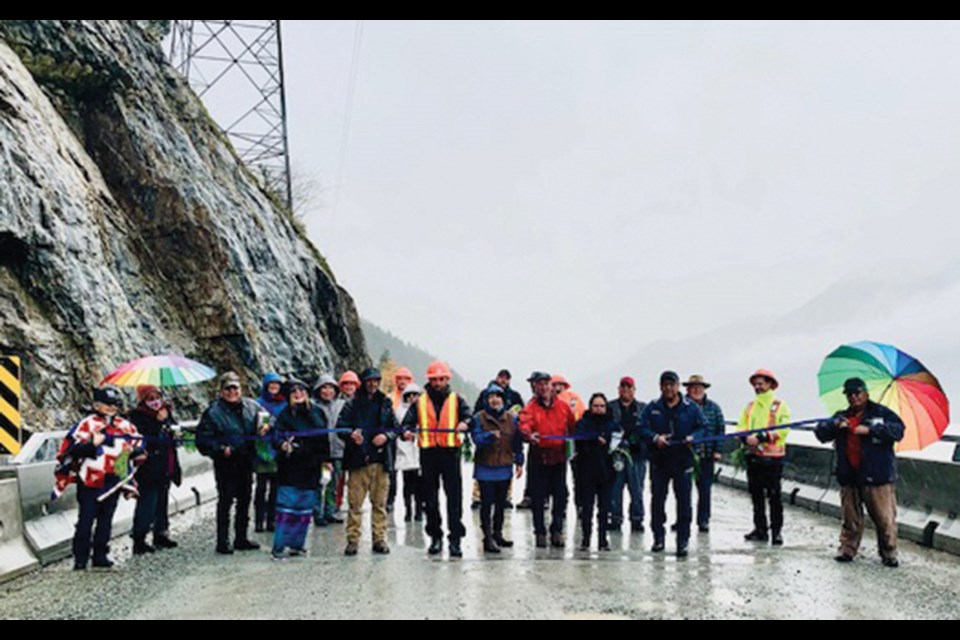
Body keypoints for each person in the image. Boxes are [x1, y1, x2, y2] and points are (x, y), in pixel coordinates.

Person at [815, 378, 905, 567]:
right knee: (850, 519)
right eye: (849, 394)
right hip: (849, 475)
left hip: (877, 476)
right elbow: (821, 433)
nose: (853, 397)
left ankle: (889, 552)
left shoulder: (882, 413)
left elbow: (898, 430)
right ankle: (847, 549)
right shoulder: (841, 416)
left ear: (866, 393)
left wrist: (871, 430)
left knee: (884, 519)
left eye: (857, 393)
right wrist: (835, 425)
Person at [61, 386, 143, 570]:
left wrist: (133, 451)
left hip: (113, 479)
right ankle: (81, 557)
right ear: (96, 404)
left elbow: (139, 445)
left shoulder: (124, 425)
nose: (111, 408)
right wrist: (92, 444)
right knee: (86, 518)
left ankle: (100, 555)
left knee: (106, 518)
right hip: (90, 480)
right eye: (107, 404)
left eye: (114, 404)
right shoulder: (86, 425)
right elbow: (71, 450)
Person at [402, 360, 472, 557]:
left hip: (450, 454)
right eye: (434, 379)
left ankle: (455, 539)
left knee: (454, 498)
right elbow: (406, 424)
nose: (438, 383)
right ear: (429, 381)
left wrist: (466, 423)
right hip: (429, 454)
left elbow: (470, 418)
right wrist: (406, 432)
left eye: (441, 379)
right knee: (430, 500)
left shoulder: (457, 399)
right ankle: (435, 537)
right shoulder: (419, 402)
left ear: (447, 379)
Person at [640, 371, 707, 557]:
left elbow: (703, 426)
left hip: (683, 460)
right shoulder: (652, 407)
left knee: (684, 503)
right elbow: (641, 427)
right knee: (657, 501)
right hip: (659, 461)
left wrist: (694, 438)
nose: (669, 388)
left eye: (672, 384)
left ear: (678, 386)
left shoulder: (690, 407)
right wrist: (654, 438)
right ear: (661, 386)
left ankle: (682, 541)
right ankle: (658, 538)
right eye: (665, 385)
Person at [196, 372, 263, 554]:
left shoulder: (252, 406)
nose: (232, 392)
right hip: (226, 463)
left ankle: (241, 537)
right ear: (221, 391)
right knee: (225, 502)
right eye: (228, 388)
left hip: (246, 461)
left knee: (245, 500)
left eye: (235, 388)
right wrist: (220, 449)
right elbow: (202, 440)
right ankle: (222, 541)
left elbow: (267, 420)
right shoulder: (213, 412)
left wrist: (266, 427)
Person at [338, 368, 399, 556]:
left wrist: (386, 436)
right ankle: (353, 540)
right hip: (358, 460)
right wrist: (351, 434)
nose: (372, 384)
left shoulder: (386, 402)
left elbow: (395, 428)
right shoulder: (352, 403)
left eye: (376, 380)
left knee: (379, 504)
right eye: (369, 381)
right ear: (363, 382)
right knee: (355, 504)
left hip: (381, 460)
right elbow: (340, 428)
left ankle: (379, 539)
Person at [270, 379, 330, 559]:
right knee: (287, 507)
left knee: (304, 508)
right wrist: (282, 445)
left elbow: (324, 439)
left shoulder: (317, 413)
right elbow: (276, 436)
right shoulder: (284, 415)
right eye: (294, 391)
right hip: (290, 467)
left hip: (311, 466)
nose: (298, 393)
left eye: (301, 389)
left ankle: (297, 545)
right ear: (289, 396)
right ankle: (279, 546)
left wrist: (326, 461)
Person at [519, 371, 576, 549]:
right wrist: (529, 435)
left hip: (559, 458)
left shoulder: (563, 406)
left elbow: (573, 427)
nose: (543, 387)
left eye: (546, 384)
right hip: (539, 457)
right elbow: (523, 424)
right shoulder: (530, 408)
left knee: (560, 496)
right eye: (539, 384)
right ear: (535, 387)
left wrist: (573, 447)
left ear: (551, 385)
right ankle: (540, 533)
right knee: (537, 497)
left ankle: (557, 530)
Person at [738, 369, 791, 546]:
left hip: (773, 459)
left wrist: (761, 437)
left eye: (761, 383)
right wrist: (745, 438)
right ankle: (760, 529)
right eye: (755, 384)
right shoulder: (749, 407)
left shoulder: (779, 406)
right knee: (756, 496)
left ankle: (776, 532)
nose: (757, 387)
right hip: (753, 458)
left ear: (769, 384)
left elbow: (784, 429)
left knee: (774, 496)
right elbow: (741, 427)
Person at [128, 385, 182, 554]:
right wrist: (158, 422)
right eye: (150, 399)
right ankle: (139, 538)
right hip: (149, 467)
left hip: (167, 464)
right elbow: (143, 438)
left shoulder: (166, 413)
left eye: (157, 397)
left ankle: (161, 533)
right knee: (147, 503)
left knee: (162, 501)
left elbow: (173, 431)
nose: (155, 402)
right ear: (143, 400)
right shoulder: (137, 416)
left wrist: (170, 426)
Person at [470, 384, 524, 554]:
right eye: (491, 397)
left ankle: (498, 534)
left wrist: (520, 462)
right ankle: (487, 537)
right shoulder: (479, 418)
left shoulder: (511, 419)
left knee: (501, 504)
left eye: (498, 397)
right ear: (486, 400)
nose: (495, 400)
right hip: (485, 467)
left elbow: (517, 443)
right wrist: (489, 435)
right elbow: (476, 439)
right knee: (486, 504)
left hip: (504, 466)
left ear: (503, 399)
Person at [472, 369, 525, 510]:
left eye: (506, 378)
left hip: (506, 443)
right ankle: (477, 498)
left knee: (505, 473)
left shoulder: (514, 396)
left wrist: (519, 461)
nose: (504, 380)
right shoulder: (484, 395)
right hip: (486, 446)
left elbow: (522, 413)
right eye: (501, 377)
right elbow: (475, 414)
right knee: (483, 484)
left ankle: (506, 497)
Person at [683, 375, 725, 533]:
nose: (696, 390)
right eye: (693, 387)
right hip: (685, 454)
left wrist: (718, 450)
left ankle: (703, 520)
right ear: (687, 389)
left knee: (705, 490)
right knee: (683, 490)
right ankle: (683, 519)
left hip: (707, 455)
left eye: (699, 387)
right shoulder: (681, 406)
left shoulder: (714, 408)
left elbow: (720, 430)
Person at [574, 393, 616, 552]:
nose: (598, 409)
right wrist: (593, 441)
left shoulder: (612, 424)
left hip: (607, 473)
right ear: (590, 407)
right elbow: (578, 441)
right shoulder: (583, 423)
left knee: (604, 508)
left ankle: (603, 539)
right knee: (586, 508)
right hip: (586, 471)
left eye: (601, 406)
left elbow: (619, 442)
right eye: (595, 406)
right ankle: (585, 539)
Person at [608, 376, 647, 534]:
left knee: (637, 489)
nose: (625, 390)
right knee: (615, 489)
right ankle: (615, 518)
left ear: (634, 390)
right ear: (618, 389)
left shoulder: (644, 408)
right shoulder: (610, 407)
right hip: (616, 454)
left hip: (637, 455)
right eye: (623, 387)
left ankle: (637, 519)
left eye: (629, 387)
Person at [254, 372, 286, 533]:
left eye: (277, 384)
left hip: (278, 449)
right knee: (260, 487)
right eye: (271, 384)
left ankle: (271, 520)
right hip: (262, 448)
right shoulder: (257, 403)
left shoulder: (284, 404)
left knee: (275, 488)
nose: (274, 387)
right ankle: (259, 520)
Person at [313, 374, 346, 526]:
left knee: (334, 485)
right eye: (324, 387)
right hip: (320, 453)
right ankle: (318, 513)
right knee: (320, 483)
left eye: (331, 388)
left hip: (338, 451)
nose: (328, 391)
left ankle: (330, 511)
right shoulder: (313, 407)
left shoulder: (342, 404)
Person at [394, 383, 425, 523]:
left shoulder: (423, 410)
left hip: (419, 451)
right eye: (409, 395)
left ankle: (419, 510)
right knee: (407, 485)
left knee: (420, 486)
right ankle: (408, 510)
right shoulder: (399, 411)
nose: (412, 398)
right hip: (405, 451)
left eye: (415, 395)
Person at [387, 367, 414, 514]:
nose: (402, 382)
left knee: (411, 474)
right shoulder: (390, 398)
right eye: (399, 379)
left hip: (410, 441)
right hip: (393, 441)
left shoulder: (417, 397)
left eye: (406, 379)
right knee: (392, 473)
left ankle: (411, 505)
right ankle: (390, 500)